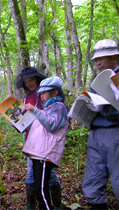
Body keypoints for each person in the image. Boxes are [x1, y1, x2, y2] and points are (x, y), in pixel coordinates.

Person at [15, 67, 62, 210]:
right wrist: (18, 120)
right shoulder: (26, 97)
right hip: (30, 137)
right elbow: (26, 118)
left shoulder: (45, 95)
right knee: (40, 172)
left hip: (44, 139)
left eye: (31, 80)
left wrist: (34, 110)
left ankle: (47, 204)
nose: (29, 84)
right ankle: (38, 203)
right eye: (26, 82)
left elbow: (48, 117)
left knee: (42, 172)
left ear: (37, 80)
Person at [82, 39, 119, 209]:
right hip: (96, 133)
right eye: (96, 59)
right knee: (93, 178)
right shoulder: (97, 81)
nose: (98, 62)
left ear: (114, 58)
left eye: (102, 58)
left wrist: (106, 108)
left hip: (114, 133)